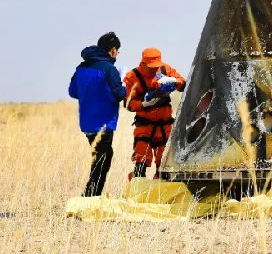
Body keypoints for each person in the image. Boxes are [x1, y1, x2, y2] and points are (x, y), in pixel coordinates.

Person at [68, 31, 127, 197]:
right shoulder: (109, 69)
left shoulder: (81, 67)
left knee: (103, 155)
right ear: (113, 50)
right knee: (102, 159)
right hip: (104, 121)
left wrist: (91, 92)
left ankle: (91, 195)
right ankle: (89, 197)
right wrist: (124, 86)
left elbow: (73, 92)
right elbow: (119, 94)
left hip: (87, 122)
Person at [123, 47, 186, 179]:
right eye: (151, 66)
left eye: (155, 66)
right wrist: (143, 104)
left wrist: (174, 82)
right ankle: (138, 192)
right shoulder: (132, 77)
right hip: (144, 127)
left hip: (165, 127)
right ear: (143, 63)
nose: (154, 69)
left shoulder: (165, 69)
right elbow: (128, 104)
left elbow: (183, 84)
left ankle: (161, 195)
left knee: (164, 167)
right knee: (141, 164)